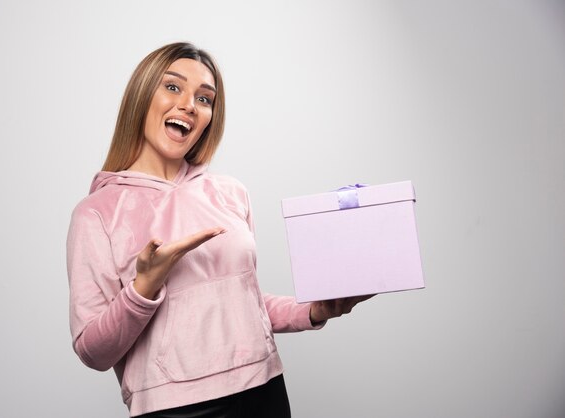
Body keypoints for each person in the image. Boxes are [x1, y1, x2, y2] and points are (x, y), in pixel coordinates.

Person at [66, 42, 374, 418]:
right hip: (175, 410)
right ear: (141, 95)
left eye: (205, 98)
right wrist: (143, 287)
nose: (189, 105)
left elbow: (242, 302)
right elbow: (92, 352)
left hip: (265, 390)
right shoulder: (96, 213)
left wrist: (312, 310)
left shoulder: (230, 192)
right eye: (173, 87)